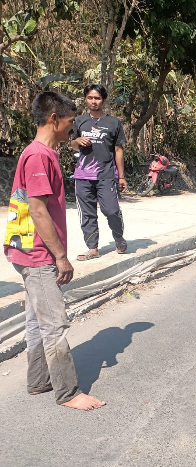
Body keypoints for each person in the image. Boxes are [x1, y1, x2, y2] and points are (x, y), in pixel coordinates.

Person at [4, 91, 105, 410]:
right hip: (38, 254)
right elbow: (37, 210)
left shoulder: (43, 152)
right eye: (70, 121)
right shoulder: (38, 156)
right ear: (53, 119)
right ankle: (68, 392)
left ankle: (38, 381)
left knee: (36, 318)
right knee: (54, 322)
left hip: (28, 250)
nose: (73, 127)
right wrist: (60, 256)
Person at [70, 83, 127, 260]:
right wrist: (77, 140)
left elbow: (118, 150)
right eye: (90, 97)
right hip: (83, 175)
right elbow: (72, 144)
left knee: (111, 210)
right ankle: (92, 248)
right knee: (87, 213)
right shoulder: (79, 121)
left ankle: (118, 236)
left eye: (97, 98)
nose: (93, 101)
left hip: (106, 175)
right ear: (85, 98)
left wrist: (122, 176)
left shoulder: (114, 123)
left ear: (103, 100)